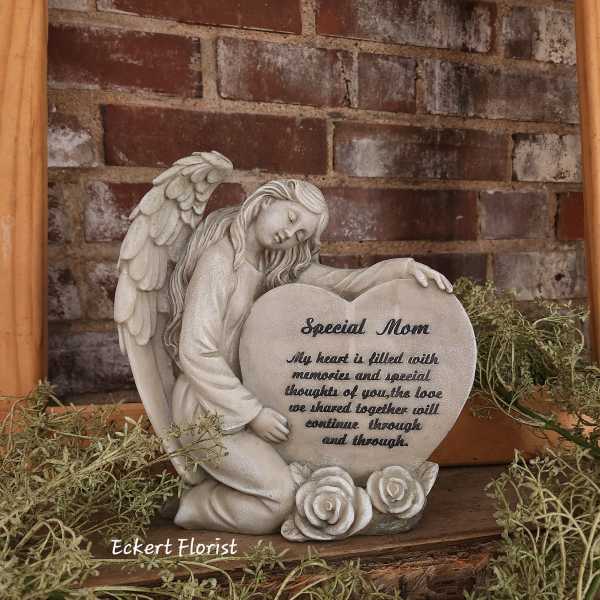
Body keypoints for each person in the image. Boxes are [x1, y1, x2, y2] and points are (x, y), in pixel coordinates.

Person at [163, 179, 451, 534]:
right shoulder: (218, 261)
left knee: (302, 481)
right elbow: (195, 349)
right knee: (280, 498)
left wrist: (403, 269)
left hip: (253, 402)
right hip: (207, 409)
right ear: (266, 201)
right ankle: (190, 506)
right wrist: (252, 413)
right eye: (290, 218)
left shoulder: (272, 267)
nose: (289, 234)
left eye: (300, 234)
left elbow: (342, 282)